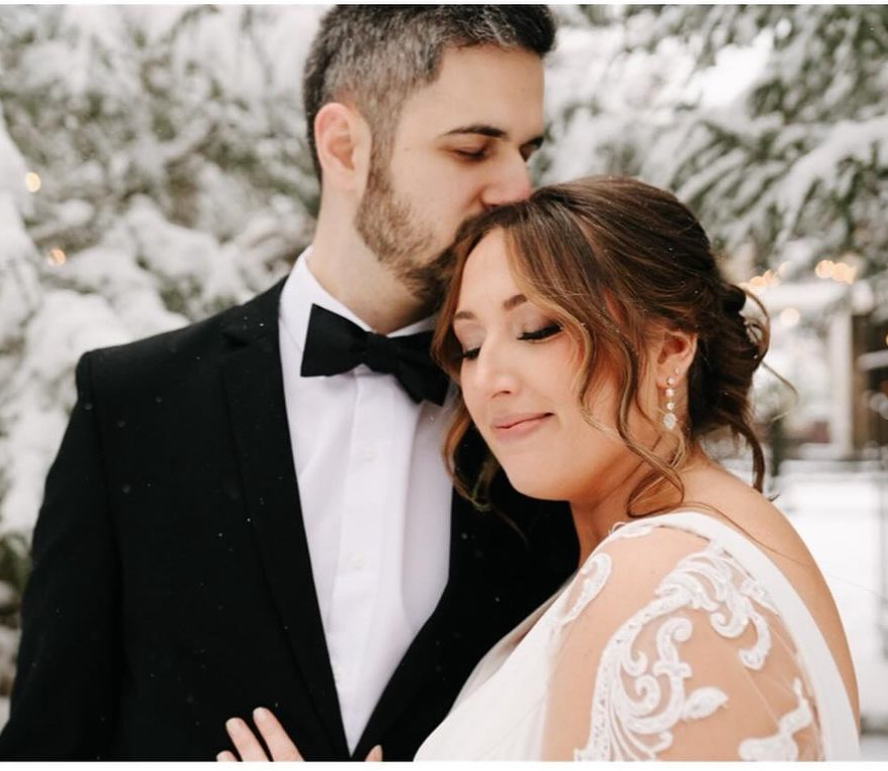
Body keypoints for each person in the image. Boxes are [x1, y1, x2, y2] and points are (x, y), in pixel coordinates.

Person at [0, 6, 577, 761]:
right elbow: (51, 743)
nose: (517, 188)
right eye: (474, 149)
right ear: (344, 146)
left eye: (527, 150)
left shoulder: (556, 413)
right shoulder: (134, 406)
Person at [221, 176, 861, 761]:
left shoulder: (667, 587)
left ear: (670, 347)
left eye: (538, 329)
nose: (487, 380)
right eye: (470, 345)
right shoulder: (675, 550)